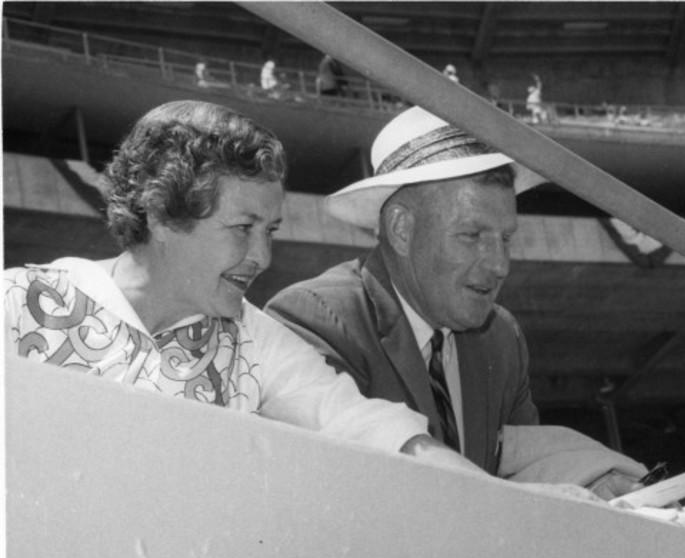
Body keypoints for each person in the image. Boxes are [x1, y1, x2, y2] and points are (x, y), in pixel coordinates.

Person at [4, 100, 480, 478]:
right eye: (242, 227)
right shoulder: (18, 302)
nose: (262, 257)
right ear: (161, 213)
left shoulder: (253, 341)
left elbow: (366, 425)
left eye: (269, 231)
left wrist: (496, 501)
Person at [265, 106, 645, 496]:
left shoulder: (502, 337)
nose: (499, 265)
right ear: (401, 229)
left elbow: (514, 466)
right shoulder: (315, 319)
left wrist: (594, 479)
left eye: (505, 239)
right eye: (471, 235)